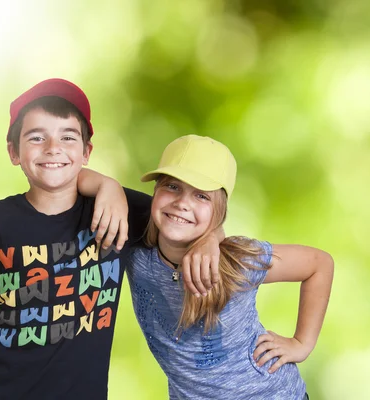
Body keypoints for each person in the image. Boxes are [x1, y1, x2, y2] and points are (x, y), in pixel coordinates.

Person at [0, 79, 221, 400]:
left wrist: (210, 239)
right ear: (13, 151)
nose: (53, 148)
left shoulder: (118, 210)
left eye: (67, 136)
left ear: (86, 151)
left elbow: (192, 217)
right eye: (37, 137)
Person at [127, 135, 334, 399]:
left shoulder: (237, 261)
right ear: (154, 191)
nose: (182, 203)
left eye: (201, 195)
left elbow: (319, 264)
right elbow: (84, 182)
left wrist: (301, 344)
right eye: (172, 186)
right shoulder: (136, 250)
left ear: (219, 212)